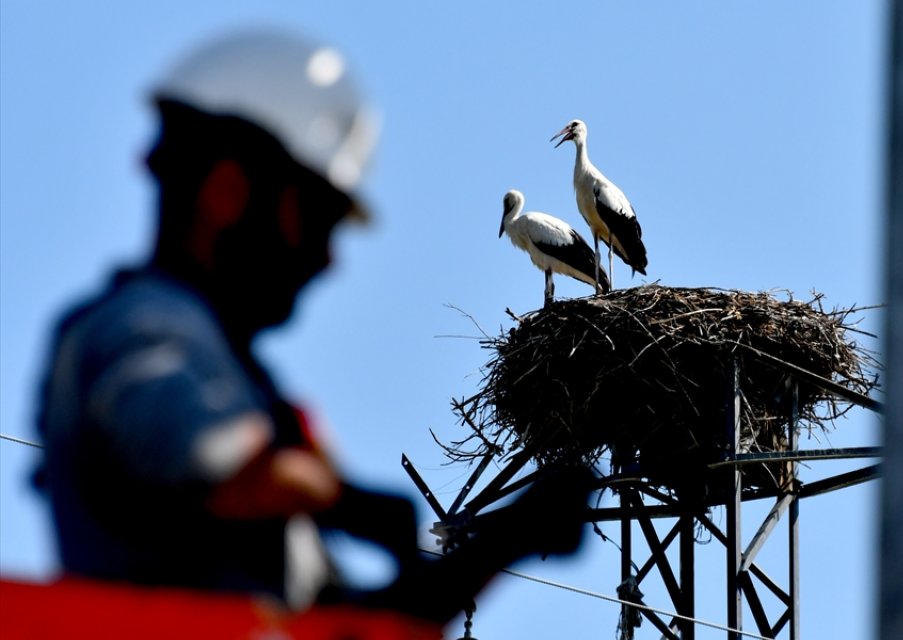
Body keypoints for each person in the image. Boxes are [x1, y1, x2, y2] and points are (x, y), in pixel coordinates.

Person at [32, 28, 589, 624]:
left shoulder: (240, 383)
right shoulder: (139, 328)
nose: (328, 259)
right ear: (228, 192)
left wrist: (508, 537)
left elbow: (354, 626)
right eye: (316, 218)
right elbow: (216, 465)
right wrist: (345, 500)